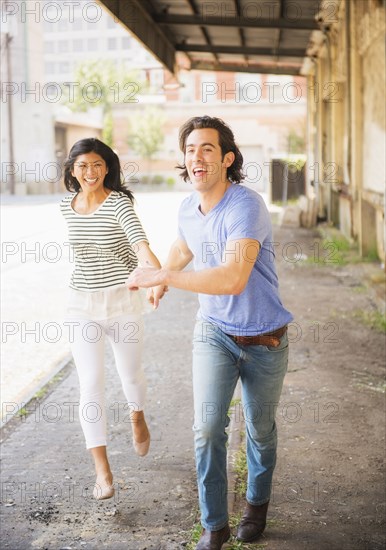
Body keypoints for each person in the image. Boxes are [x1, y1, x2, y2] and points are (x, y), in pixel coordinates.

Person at [127, 116, 293, 549]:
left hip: (264, 337)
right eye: (190, 149)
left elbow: (232, 279)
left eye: (206, 149)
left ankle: (257, 505)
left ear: (227, 159)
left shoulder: (246, 206)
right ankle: (214, 525)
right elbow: (185, 246)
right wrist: (164, 279)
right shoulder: (187, 207)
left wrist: (161, 274)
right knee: (206, 428)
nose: (196, 157)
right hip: (214, 332)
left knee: (260, 429)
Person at [61, 138, 166, 501]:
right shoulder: (66, 206)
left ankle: (137, 415)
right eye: (82, 166)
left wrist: (157, 275)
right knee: (90, 384)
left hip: (122, 303)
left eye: (97, 165)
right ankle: (102, 471)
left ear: (107, 168)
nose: (90, 172)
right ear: (72, 170)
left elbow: (139, 243)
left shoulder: (119, 202)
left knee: (130, 375)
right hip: (81, 306)